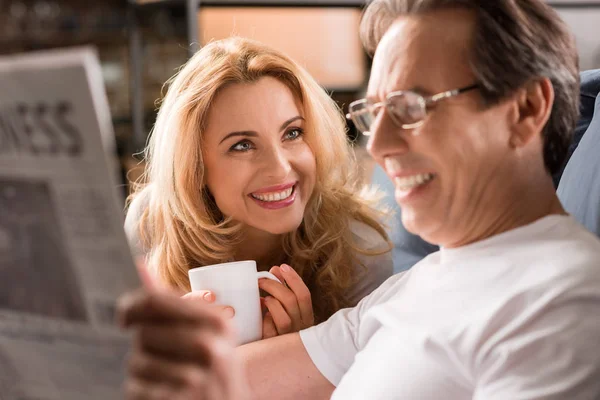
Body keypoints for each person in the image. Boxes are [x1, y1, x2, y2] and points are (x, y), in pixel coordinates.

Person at [118, 1, 600, 399]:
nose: (379, 146)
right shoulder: (415, 286)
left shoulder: (562, 301)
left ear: (526, 109)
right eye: (376, 112)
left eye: (412, 107)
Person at [124, 37, 393, 338]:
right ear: (194, 166)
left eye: (293, 133)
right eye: (242, 145)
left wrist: (301, 352)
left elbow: (373, 383)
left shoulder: (359, 249)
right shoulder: (151, 224)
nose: (280, 168)